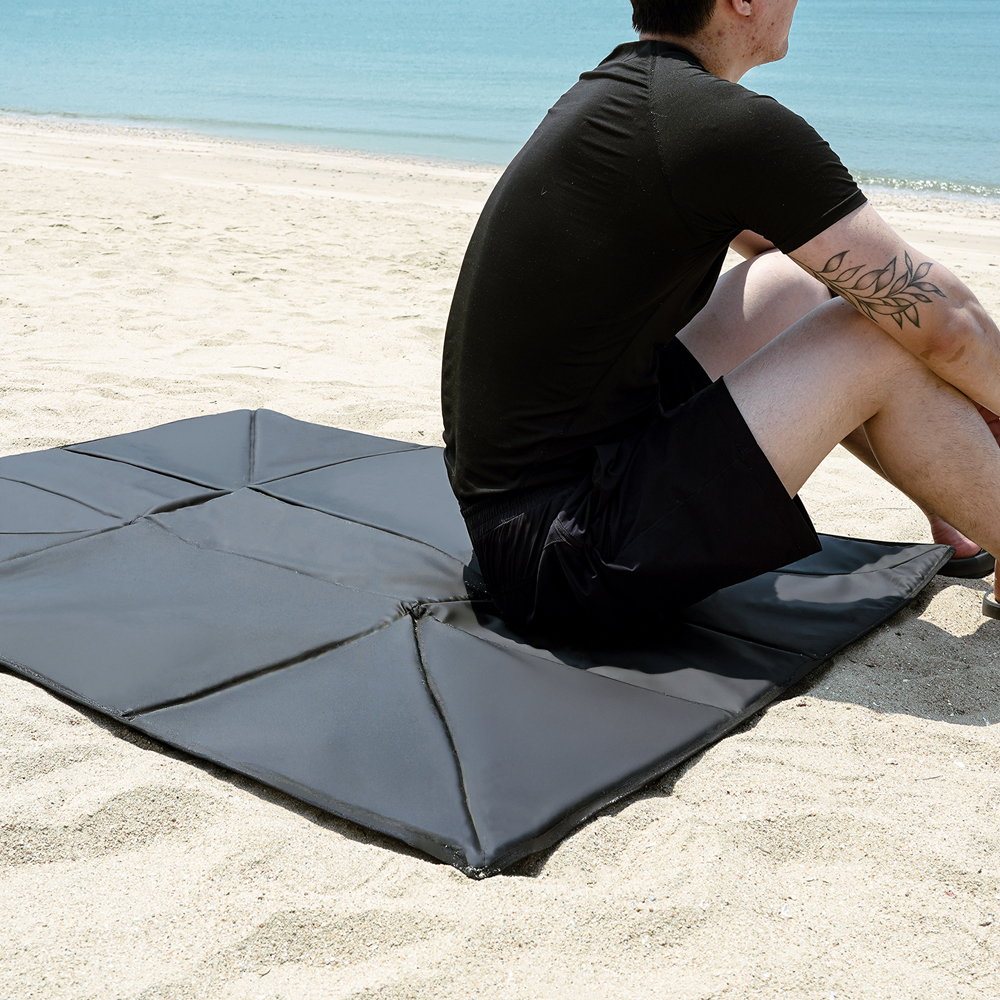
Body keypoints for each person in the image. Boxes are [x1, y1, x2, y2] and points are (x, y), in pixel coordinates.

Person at [440, 0, 1000, 636]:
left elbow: (803, 256)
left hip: (535, 505)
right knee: (877, 335)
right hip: (565, 555)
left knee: (797, 285)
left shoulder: (633, 96)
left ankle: (958, 507)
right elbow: (951, 328)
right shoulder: (723, 124)